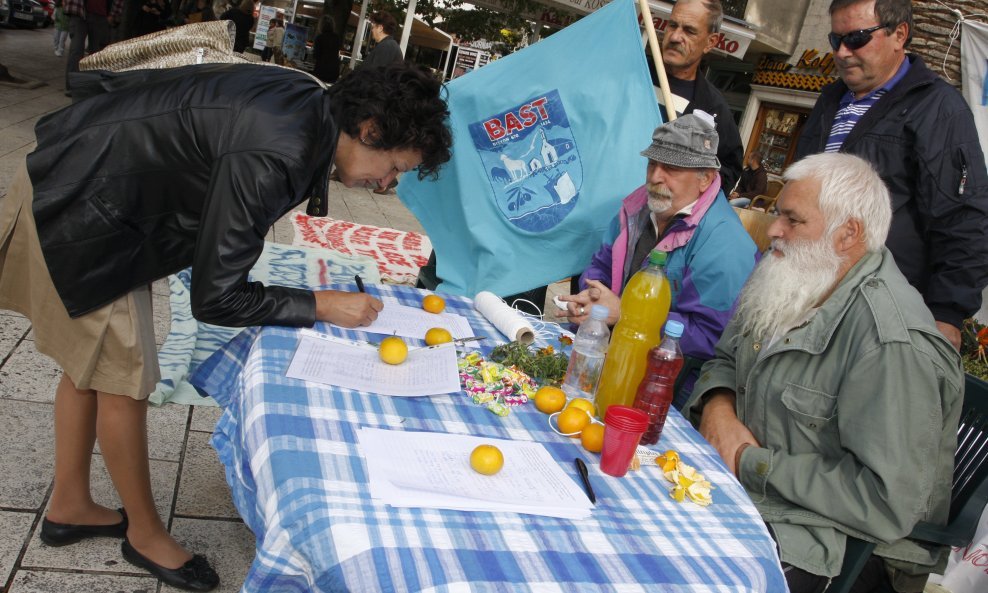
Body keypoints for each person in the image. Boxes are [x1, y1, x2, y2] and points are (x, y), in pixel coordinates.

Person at [0, 62, 452, 591]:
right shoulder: (278, 150)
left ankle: (70, 503)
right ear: (371, 129)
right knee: (124, 380)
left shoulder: (311, 99)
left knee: (89, 364)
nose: (388, 183)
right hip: (85, 203)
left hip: (81, 173)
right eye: (394, 166)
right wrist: (318, 304)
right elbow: (217, 296)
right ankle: (144, 534)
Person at [685, 152, 963, 593]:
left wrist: (748, 461)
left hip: (839, 545)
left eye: (792, 220)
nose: (774, 229)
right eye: (778, 213)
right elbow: (724, 358)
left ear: (847, 233)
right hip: (753, 495)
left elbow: (886, 502)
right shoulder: (796, 276)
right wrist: (720, 411)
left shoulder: (890, 341)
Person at [794, 0, 988, 351]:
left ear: (900, 35)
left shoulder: (938, 108)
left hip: (879, 315)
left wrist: (946, 312)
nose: (842, 51)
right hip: (808, 294)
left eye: (855, 38)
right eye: (834, 39)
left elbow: (963, 217)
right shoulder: (831, 99)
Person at [559, 112, 758, 408]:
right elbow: (601, 265)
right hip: (606, 362)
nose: (654, 177)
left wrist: (625, 314)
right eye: (652, 163)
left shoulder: (726, 244)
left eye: (672, 168)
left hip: (666, 392)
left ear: (705, 178)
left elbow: (710, 338)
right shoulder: (638, 203)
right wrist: (592, 298)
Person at [652, 0, 743, 193]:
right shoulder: (632, 75)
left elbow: (728, 170)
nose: (675, 37)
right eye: (672, 25)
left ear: (711, 42)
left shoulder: (713, 109)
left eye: (689, 31)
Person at [64, 0, 123, 96]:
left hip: (100, 15)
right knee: (76, 49)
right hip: (79, 11)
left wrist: (114, 14)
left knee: (96, 53)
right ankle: (72, 86)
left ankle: (91, 85)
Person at [312, 16, 342, 83]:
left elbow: (316, 55)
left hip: (321, 70)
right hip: (334, 70)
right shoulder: (336, 38)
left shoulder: (319, 38)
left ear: (321, 25)